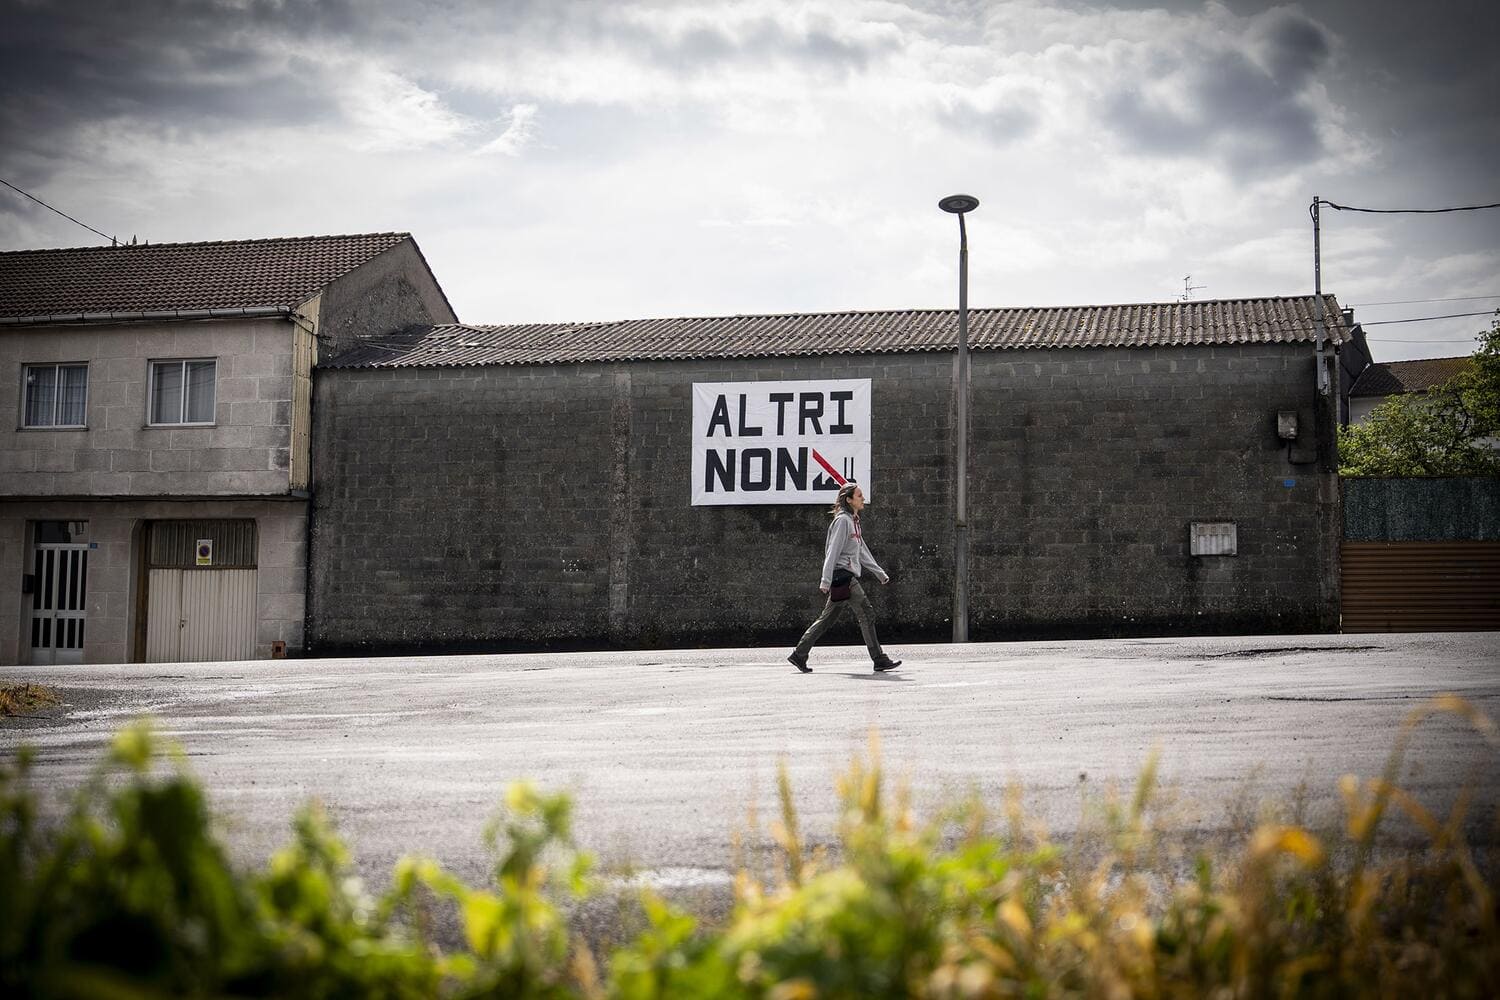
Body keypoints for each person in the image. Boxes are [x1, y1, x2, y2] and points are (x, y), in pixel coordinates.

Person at [787, 481, 902, 674]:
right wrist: (825, 580)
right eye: (859, 495)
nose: (863, 498)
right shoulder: (842, 522)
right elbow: (832, 552)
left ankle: (799, 654)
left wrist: (879, 573)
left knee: (827, 619)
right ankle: (879, 658)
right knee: (867, 613)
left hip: (844, 576)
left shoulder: (853, 522)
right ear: (849, 500)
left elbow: (862, 551)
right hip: (843, 576)